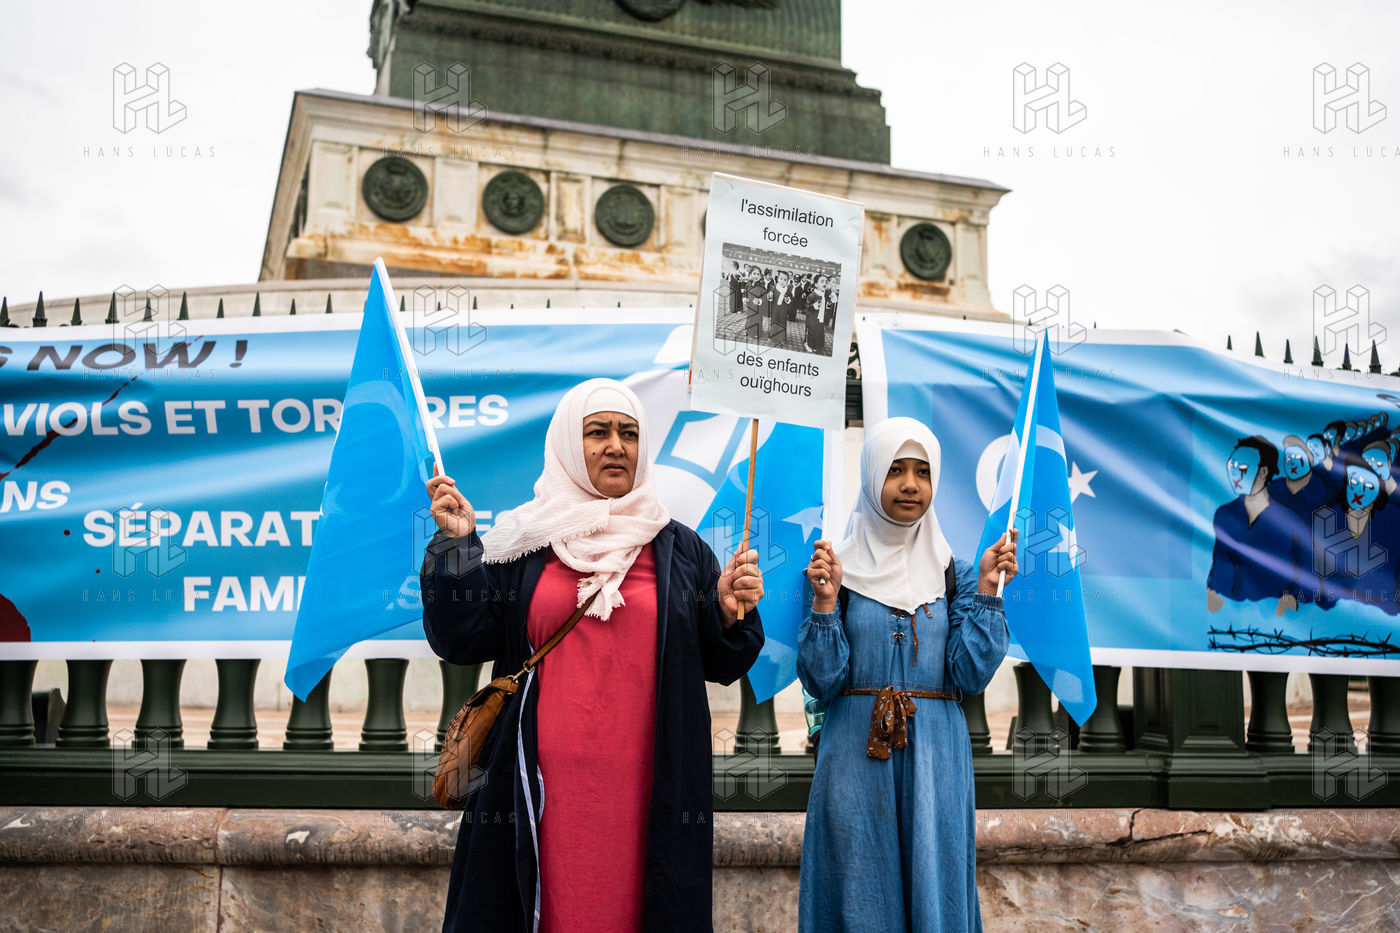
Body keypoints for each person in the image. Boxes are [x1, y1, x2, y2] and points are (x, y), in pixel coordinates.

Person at [421, 377, 765, 933]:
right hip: (536, 783)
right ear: (566, 445)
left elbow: (724, 663)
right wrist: (458, 547)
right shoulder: (524, 543)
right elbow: (463, 641)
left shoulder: (681, 550)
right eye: (597, 432)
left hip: (650, 784)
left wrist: (728, 613)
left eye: (629, 433)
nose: (616, 446)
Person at [796, 417, 1018, 933]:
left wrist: (989, 590)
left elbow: (969, 675)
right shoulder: (835, 569)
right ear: (873, 475)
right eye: (895, 470)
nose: (910, 485)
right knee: (856, 881)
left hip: (937, 759)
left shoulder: (956, 573)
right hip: (854, 755)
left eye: (922, 471)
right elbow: (822, 681)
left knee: (934, 883)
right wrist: (825, 603)